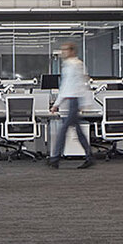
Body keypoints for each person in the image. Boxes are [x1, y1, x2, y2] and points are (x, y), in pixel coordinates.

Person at [46, 41, 95, 169]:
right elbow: (65, 87)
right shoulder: (68, 65)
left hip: (75, 100)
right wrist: (57, 103)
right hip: (72, 101)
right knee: (78, 131)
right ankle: (89, 156)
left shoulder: (75, 65)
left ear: (72, 51)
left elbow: (78, 85)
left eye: (66, 49)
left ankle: (55, 158)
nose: (63, 52)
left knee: (63, 129)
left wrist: (57, 104)